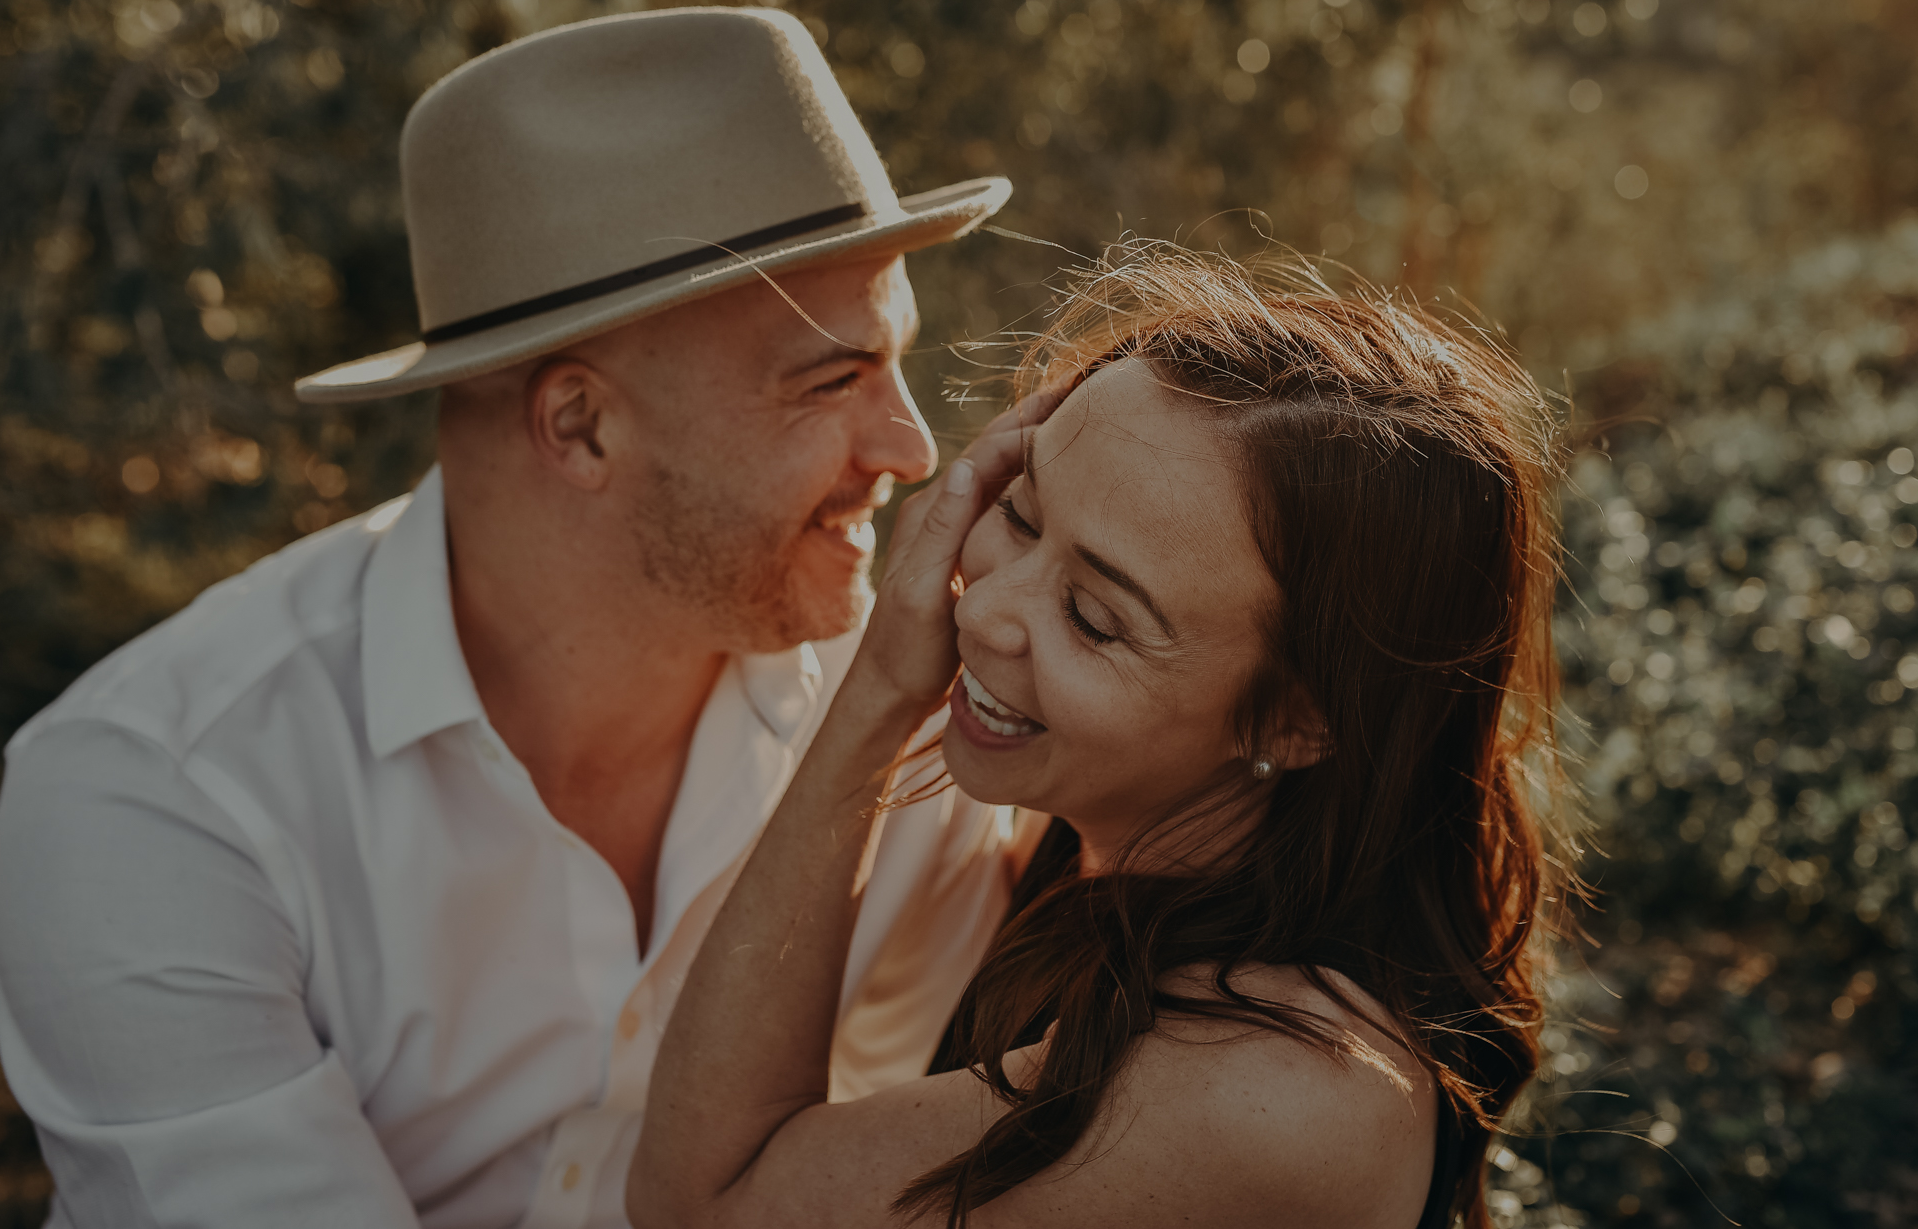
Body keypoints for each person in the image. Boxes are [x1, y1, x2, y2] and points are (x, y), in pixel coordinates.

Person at [0, 7, 1040, 1227]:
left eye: (897, 364)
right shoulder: (158, 797)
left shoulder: (911, 726)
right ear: (581, 427)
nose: (911, 447)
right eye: (835, 378)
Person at [626, 249, 1568, 1229]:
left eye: (1093, 617)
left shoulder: (1254, 1088)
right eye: (1021, 513)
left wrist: (877, 696)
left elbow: (700, 1200)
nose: (985, 606)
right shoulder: (1103, 875)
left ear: (1297, 721)